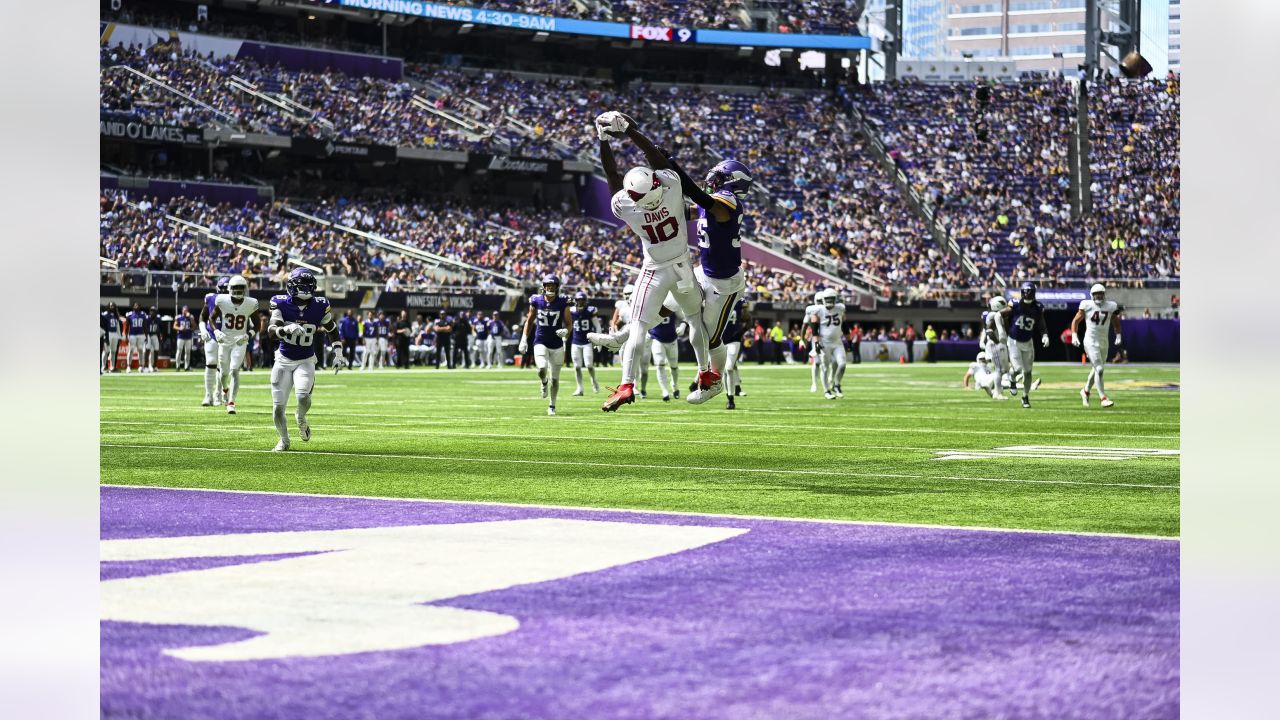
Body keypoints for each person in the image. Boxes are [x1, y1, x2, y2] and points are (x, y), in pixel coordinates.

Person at [595, 110, 717, 412]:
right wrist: (629, 130)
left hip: (655, 269)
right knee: (694, 320)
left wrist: (603, 140)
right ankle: (705, 373)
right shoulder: (670, 186)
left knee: (638, 326)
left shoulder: (627, 206)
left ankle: (626, 385)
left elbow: (611, 176)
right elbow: (655, 156)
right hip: (682, 267)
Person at [266, 268, 342, 452]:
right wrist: (285, 329)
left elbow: (332, 329)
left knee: (302, 395)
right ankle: (284, 440)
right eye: (302, 286)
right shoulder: (280, 303)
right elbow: (270, 332)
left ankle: (300, 417)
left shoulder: (320, 305)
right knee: (277, 408)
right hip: (283, 359)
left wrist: (338, 352)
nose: (306, 289)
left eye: (308, 286)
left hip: (306, 359)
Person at [519, 274, 572, 416]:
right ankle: (543, 381)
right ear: (543, 287)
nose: (550, 288)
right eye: (548, 285)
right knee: (542, 368)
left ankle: (552, 405)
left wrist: (566, 331)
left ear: (557, 287)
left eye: (553, 285)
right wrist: (524, 339)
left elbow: (569, 323)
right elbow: (529, 321)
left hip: (557, 343)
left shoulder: (563, 302)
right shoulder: (536, 300)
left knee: (555, 379)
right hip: (540, 340)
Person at [210, 275, 261, 415]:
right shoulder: (222, 300)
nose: (238, 290)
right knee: (224, 373)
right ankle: (225, 390)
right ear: (229, 289)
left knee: (234, 369)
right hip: (225, 340)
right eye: (236, 287)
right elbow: (211, 318)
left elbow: (257, 324)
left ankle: (231, 402)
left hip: (240, 341)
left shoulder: (251, 303)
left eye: (241, 287)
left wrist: (248, 335)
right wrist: (216, 331)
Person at [1071, 283, 1123, 408]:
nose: (1098, 296)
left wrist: (1118, 335)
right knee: (1099, 369)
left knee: (1097, 370)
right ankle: (1103, 398)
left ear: (1104, 294)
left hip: (1104, 342)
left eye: (1100, 293)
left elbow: (1116, 322)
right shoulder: (1086, 305)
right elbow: (1075, 321)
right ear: (1092, 295)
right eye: (1096, 294)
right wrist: (1074, 335)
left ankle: (1085, 391)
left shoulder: (1111, 306)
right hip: (1090, 341)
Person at [998, 281, 1049, 408]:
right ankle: (1012, 379)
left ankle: (1025, 396)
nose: (1027, 295)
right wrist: (1001, 332)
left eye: (1030, 292)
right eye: (1026, 292)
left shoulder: (1038, 307)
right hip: (1014, 340)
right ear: (1022, 293)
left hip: (1028, 341)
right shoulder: (1015, 304)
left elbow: (1041, 323)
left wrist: (1045, 335)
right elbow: (999, 315)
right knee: (1017, 369)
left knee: (1028, 372)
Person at [811, 289, 848, 399]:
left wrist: (849, 340)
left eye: (831, 299)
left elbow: (845, 325)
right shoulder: (818, 310)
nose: (829, 301)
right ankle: (826, 391)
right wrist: (817, 343)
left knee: (842, 364)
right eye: (827, 299)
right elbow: (814, 329)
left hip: (837, 342)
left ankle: (836, 384)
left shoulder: (840, 308)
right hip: (824, 342)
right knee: (825, 368)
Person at [199, 277, 230, 405]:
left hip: (227, 337)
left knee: (222, 368)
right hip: (212, 334)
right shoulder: (211, 298)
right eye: (223, 290)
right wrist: (202, 329)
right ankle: (208, 395)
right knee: (211, 363)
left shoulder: (237, 302)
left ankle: (218, 395)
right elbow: (203, 315)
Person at [569, 292, 601, 396]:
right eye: (578, 300)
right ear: (575, 301)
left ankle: (594, 380)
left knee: (589, 366)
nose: (580, 302)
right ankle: (580, 388)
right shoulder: (572, 311)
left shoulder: (590, 311)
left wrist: (598, 340)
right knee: (577, 367)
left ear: (585, 301)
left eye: (582, 300)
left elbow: (597, 326)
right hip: (575, 342)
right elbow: (567, 324)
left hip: (587, 342)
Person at [720, 298, 749, 409]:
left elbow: (748, 318)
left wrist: (742, 331)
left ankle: (731, 399)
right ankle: (729, 394)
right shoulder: (718, 299)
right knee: (722, 369)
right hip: (720, 340)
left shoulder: (738, 301)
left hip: (734, 340)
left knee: (729, 368)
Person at [649, 310, 683, 402]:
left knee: (674, 366)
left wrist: (683, 326)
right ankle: (665, 391)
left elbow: (684, 317)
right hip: (657, 338)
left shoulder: (672, 304)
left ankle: (675, 385)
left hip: (672, 339)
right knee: (660, 364)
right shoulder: (653, 303)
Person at [982, 297, 1011, 399]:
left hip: (997, 343)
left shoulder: (998, 315)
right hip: (995, 344)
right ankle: (998, 393)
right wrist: (998, 342)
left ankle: (992, 387)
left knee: (1003, 369)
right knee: (999, 369)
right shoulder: (993, 315)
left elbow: (1006, 329)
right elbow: (989, 331)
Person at [804, 291, 829, 394]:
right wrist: (802, 338)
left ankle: (828, 384)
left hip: (828, 339)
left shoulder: (829, 310)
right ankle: (814, 383)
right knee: (817, 362)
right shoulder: (812, 310)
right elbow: (805, 325)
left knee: (828, 362)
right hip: (817, 338)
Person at [124, 302, 148, 374]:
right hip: (132, 334)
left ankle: (141, 366)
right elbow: (127, 326)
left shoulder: (143, 315)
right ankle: (128, 366)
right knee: (131, 350)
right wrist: (125, 336)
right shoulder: (129, 314)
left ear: (140, 306)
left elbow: (145, 326)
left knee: (140, 350)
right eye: (135, 305)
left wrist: (146, 335)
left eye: (138, 305)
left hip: (140, 334)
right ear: (133, 306)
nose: (136, 306)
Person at [101, 302, 123, 373]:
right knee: (106, 351)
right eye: (110, 306)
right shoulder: (105, 314)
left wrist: (119, 336)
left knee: (113, 351)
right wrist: (104, 335)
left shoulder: (116, 315)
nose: (112, 307)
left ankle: (112, 367)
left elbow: (118, 327)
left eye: (113, 306)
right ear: (108, 306)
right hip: (108, 333)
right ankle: (104, 367)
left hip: (115, 334)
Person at [173, 305, 194, 372]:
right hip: (181, 336)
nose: (185, 311)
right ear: (182, 310)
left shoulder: (190, 317)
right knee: (179, 351)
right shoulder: (179, 317)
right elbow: (174, 326)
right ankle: (177, 366)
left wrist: (190, 318)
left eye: (186, 310)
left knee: (188, 352)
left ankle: (186, 366)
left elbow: (194, 326)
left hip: (188, 336)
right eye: (184, 310)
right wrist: (180, 328)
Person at [144, 306, 162, 373]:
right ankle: (146, 366)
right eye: (151, 310)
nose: (152, 312)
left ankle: (154, 366)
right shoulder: (147, 318)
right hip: (147, 334)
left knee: (156, 349)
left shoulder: (158, 319)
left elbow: (159, 328)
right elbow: (144, 327)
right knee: (147, 349)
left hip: (154, 334)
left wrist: (159, 336)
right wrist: (145, 337)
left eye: (154, 311)